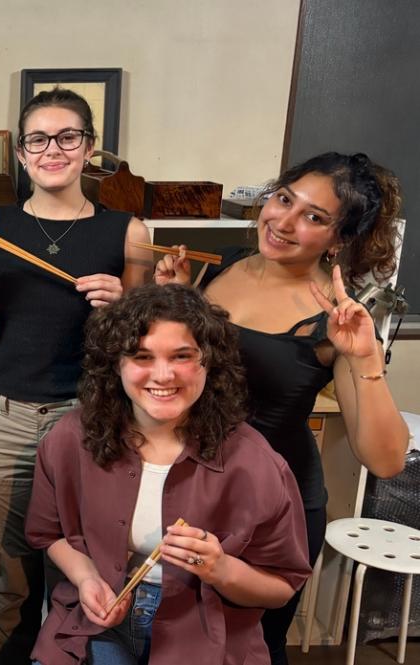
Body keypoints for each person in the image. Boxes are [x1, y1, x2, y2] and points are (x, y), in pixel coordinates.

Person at [154, 152, 409, 664]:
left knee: (249, 646)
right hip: (191, 486)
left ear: (339, 239)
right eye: (284, 199)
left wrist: (363, 355)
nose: (284, 222)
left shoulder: (335, 318)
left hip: (274, 505)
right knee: (175, 637)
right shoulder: (218, 266)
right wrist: (178, 298)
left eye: (314, 217)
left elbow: (385, 460)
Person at [0, 87, 152, 663]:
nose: (52, 150)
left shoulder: (127, 231)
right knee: (11, 569)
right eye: (38, 139)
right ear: (21, 152)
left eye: (68, 136)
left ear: (89, 148)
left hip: (89, 417)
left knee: (91, 559)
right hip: (4, 416)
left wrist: (124, 305)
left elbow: (141, 347)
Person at [26, 284, 312, 665]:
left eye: (182, 356)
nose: (163, 375)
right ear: (115, 363)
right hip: (97, 622)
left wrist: (219, 568)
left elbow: (280, 589)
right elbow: (49, 534)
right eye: (142, 356)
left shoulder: (256, 463)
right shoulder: (70, 438)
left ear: (209, 361)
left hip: (204, 634)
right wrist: (86, 578)